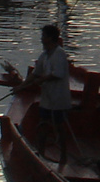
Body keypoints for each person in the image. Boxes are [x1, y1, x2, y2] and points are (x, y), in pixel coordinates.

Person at [22, 24, 76, 165]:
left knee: (59, 126)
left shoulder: (59, 53)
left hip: (58, 98)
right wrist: (21, 86)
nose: (41, 40)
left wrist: (41, 80)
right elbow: (35, 73)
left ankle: (63, 156)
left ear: (50, 38)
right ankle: (40, 153)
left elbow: (58, 74)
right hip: (47, 98)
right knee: (43, 124)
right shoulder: (44, 55)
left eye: (44, 36)